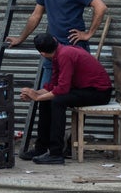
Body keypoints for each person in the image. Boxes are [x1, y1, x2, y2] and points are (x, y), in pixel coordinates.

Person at [7, 0, 107, 87]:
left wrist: (89, 34)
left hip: (74, 49)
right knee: (47, 92)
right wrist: (20, 38)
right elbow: (36, 16)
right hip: (52, 50)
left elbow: (100, 7)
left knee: (73, 94)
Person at [18, 33, 112, 164]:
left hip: (99, 93)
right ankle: (41, 148)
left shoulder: (65, 55)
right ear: (55, 40)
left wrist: (37, 98)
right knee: (47, 100)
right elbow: (53, 86)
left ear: (42, 54)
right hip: (85, 89)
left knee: (57, 101)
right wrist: (35, 94)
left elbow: (62, 89)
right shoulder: (59, 52)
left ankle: (56, 153)